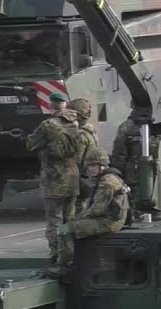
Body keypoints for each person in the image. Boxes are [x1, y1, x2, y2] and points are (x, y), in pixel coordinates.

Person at [25, 92, 84, 271]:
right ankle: (73, 254)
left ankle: (57, 256)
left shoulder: (48, 125)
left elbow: (31, 145)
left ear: (51, 106)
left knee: (54, 221)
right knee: (70, 218)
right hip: (73, 177)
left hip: (53, 179)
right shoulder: (75, 122)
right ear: (65, 105)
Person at [52, 149, 130, 277]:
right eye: (89, 166)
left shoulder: (107, 182)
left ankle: (65, 265)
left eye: (94, 165)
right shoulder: (107, 177)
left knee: (65, 229)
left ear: (103, 166)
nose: (91, 169)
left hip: (109, 222)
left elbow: (97, 209)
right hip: (108, 219)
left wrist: (78, 221)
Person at [70, 98, 100, 197]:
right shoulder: (91, 129)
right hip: (92, 175)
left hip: (83, 177)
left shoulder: (80, 135)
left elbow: (75, 161)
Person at [109, 117, 141, 187]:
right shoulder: (158, 124)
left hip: (132, 176)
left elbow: (118, 153)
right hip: (145, 176)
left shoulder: (127, 126)